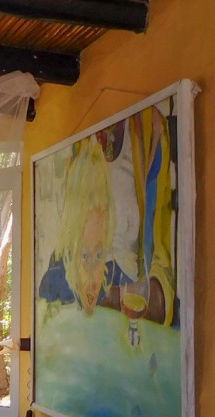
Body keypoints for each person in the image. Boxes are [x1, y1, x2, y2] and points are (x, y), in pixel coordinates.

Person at [38, 108, 177, 328]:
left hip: (128, 300)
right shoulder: (76, 142)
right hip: (78, 291)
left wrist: (124, 296)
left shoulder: (151, 129)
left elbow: (163, 264)